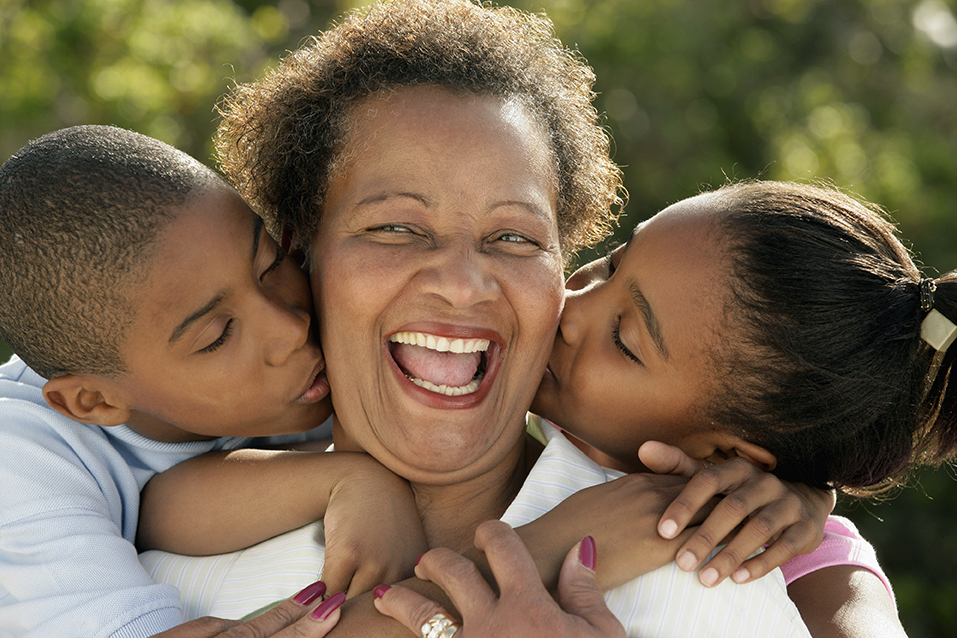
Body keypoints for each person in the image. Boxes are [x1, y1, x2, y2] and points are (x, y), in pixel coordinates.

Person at [138, 1, 815, 636]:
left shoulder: (695, 574)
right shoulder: (160, 575)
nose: (462, 285)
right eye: (396, 227)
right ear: (298, 252)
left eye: (514, 238)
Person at [373, 180, 955, 638]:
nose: (571, 308)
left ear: (726, 452)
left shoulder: (802, 556)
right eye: (611, 265)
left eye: (624, 340)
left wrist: (811, 509)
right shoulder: (548, 421)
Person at [0, 124, 437, 637]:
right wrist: (356, 481)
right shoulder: (21, 460)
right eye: (217, 334)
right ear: (93, 401)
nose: (290, 327)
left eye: (270, 263)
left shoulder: (305, 333)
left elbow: (167, 499)